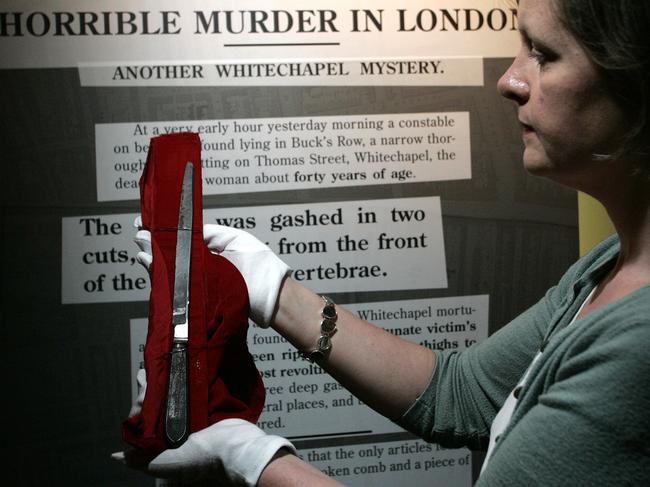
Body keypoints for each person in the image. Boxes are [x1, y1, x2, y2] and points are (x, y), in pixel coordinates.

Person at [113, 0, 650, 485]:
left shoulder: (637, 340)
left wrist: (252, 462)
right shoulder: (608, 267)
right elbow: (458, 395)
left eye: (544, 54)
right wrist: (278, 295)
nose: (509, 80)